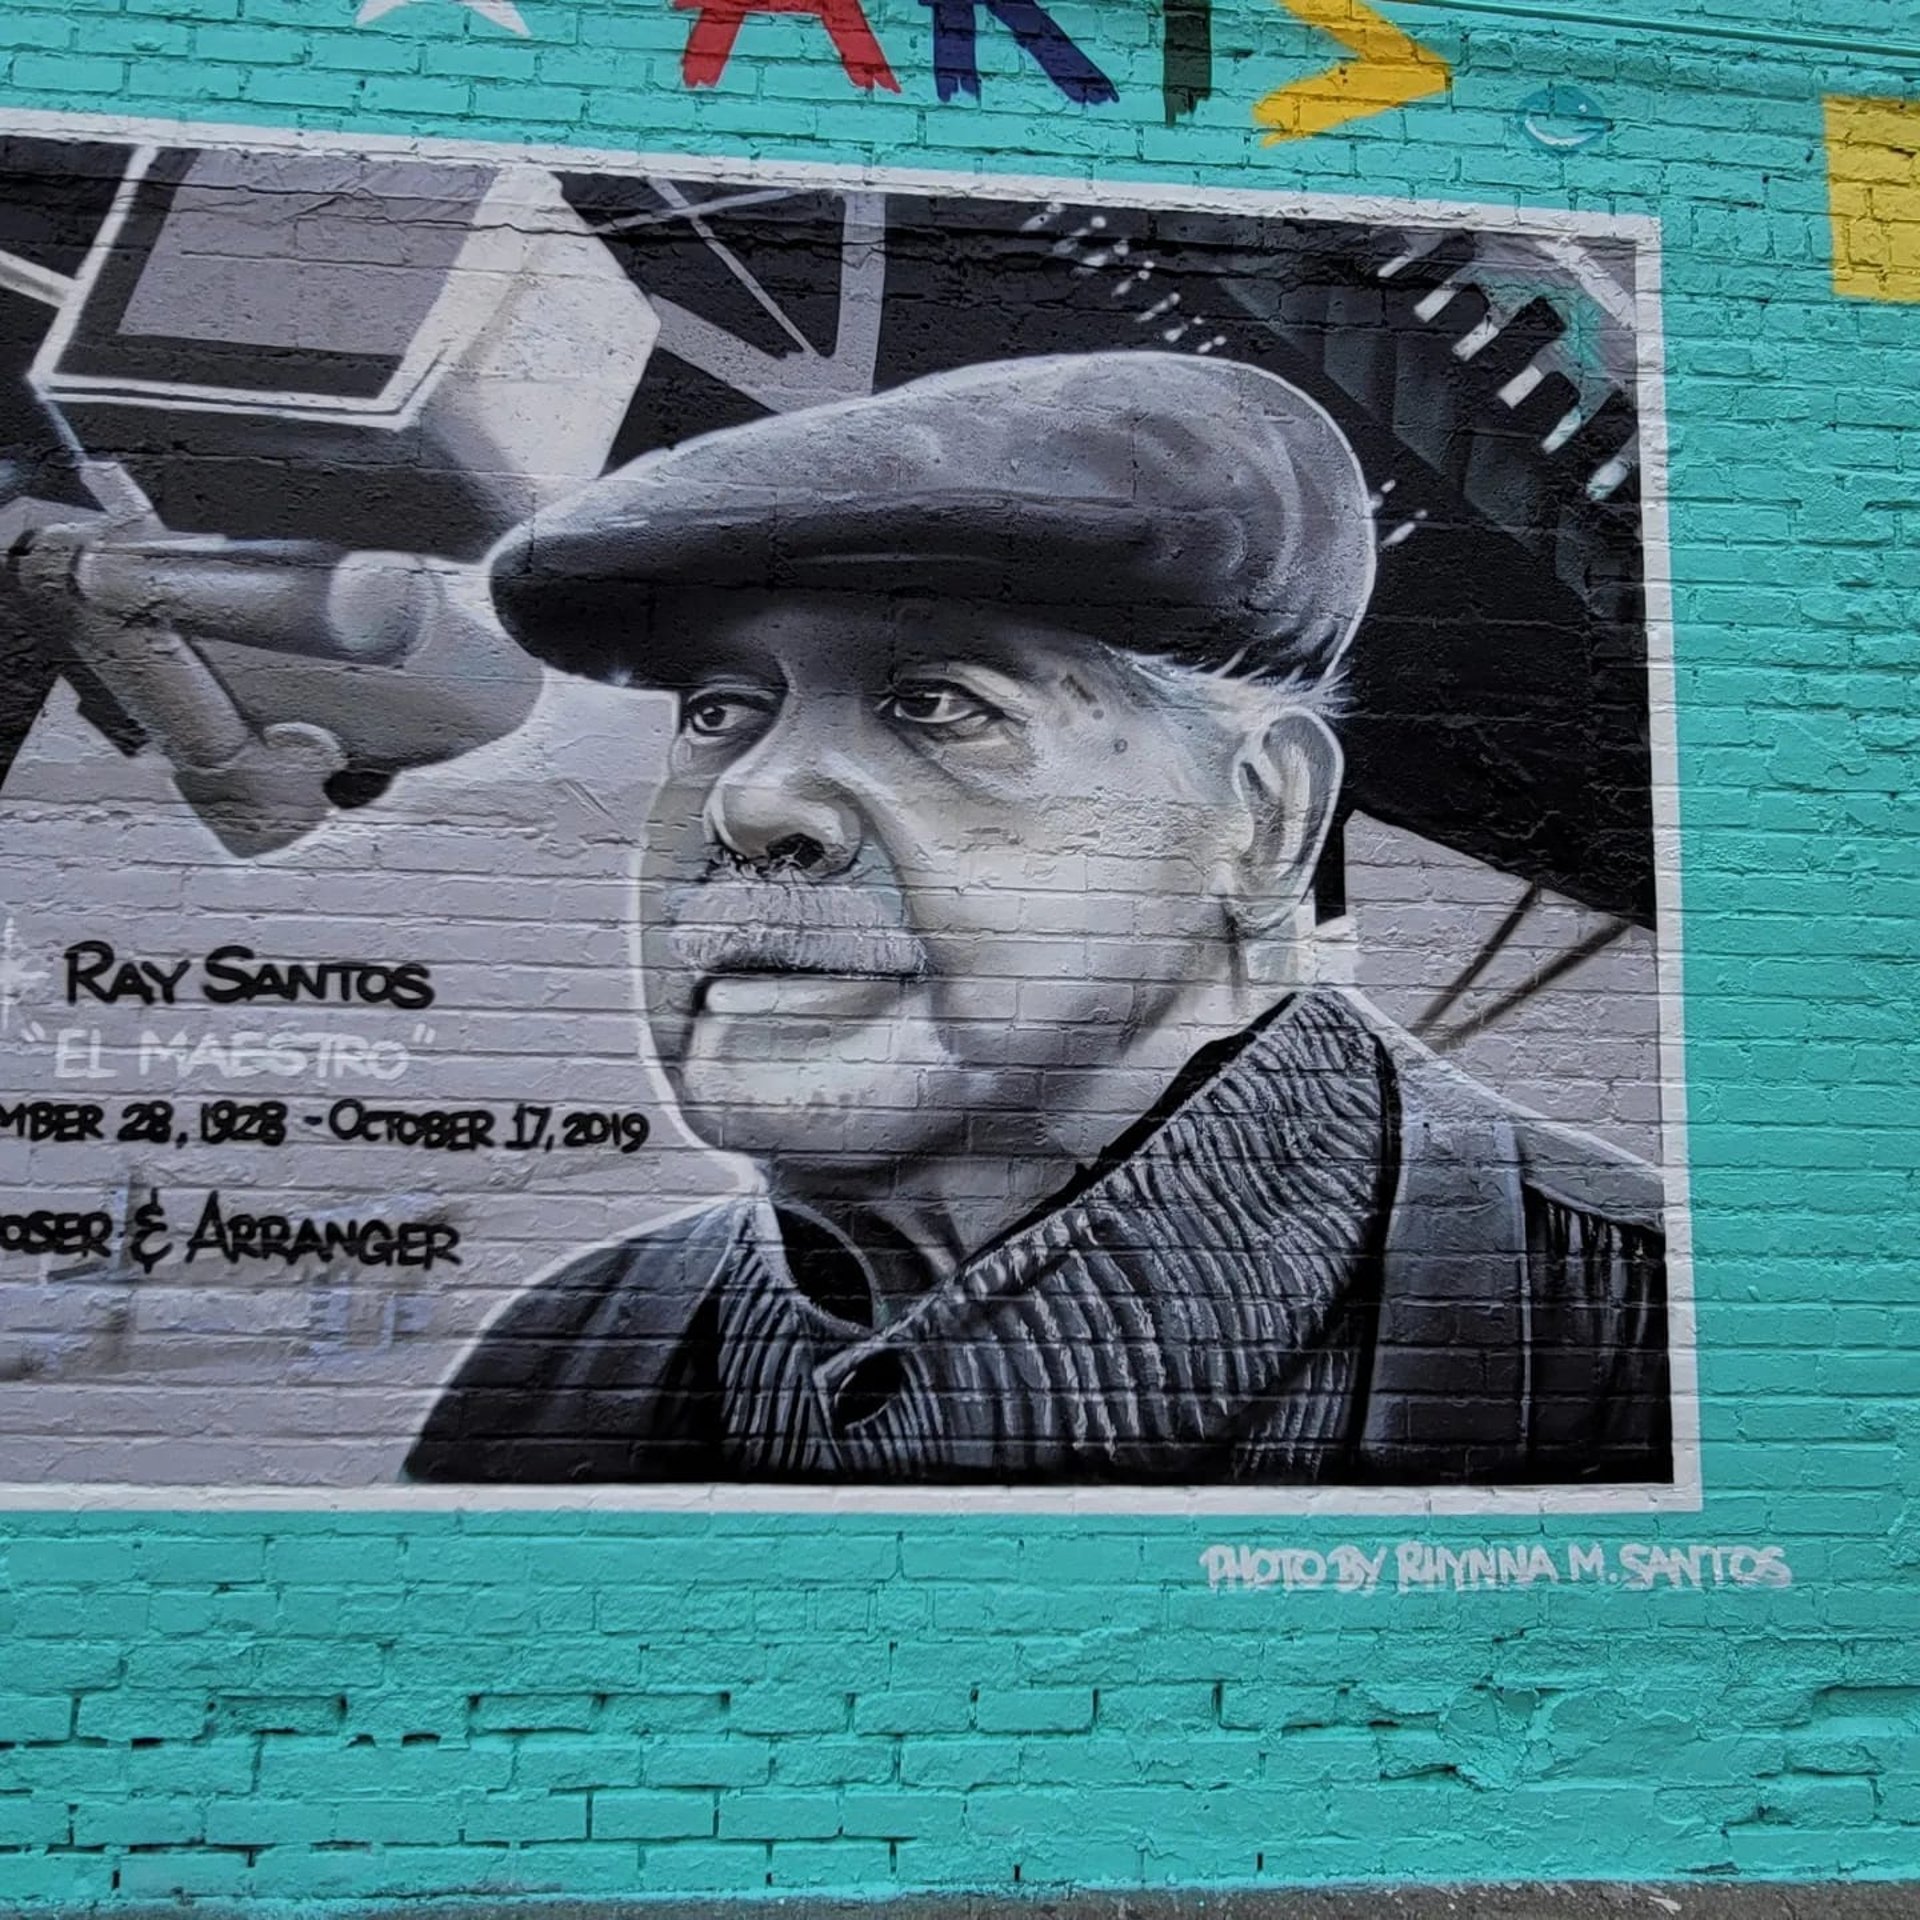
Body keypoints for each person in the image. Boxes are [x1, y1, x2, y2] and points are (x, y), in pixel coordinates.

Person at [406, 351, 1670, 1487]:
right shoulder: (569, 1359)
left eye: (938, 704)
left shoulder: (1652, 1343)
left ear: (1265, 818)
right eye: (721, 708)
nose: (751, 795)